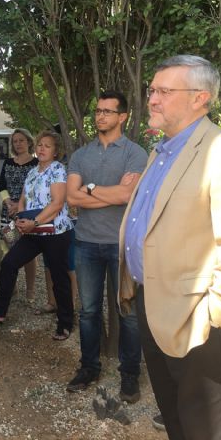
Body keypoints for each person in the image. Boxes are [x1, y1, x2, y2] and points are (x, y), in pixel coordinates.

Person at [120, 55, 221, 440]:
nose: (152, 99)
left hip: (198, 317)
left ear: (200, 98)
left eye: (164, 91)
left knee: (208, 429)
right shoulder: (160, 152)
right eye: (151, 90)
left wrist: (217, 315)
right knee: (177, 419)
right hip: (153, 303)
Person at [65, 90, 148, 402]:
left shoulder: (135, 153)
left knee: (128, 313)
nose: (100, 116)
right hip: (86, 242)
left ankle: (130, 375)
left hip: (121, 245)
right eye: (97, 111)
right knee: (87, 311)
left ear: (122, 116)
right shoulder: (81, 155)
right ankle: (89, 367)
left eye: (107, 112)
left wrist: (89, 188)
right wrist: (106, 192)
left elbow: (128, 196)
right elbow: (71, 198)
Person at [0, 131, 75, 339]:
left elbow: (57, 203)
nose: (41, 149)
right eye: (39, 145)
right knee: (9, 263)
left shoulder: (58, 170)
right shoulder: (33, 171)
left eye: (47, 146)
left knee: (59, 277)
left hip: (55, 232)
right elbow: (23, 198)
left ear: (55, 151)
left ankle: (65, 323)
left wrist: (35, 222)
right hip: (32, 230)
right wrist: (20, 218)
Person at [0, 129, 38, 303]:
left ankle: (30, 290)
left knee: (29, 253)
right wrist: (9, 203)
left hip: (28, 213)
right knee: (8, 249)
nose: (18, 144)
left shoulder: (37, 163)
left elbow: (38, 189)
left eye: (21, 140)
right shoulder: (7, 163)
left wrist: (21, 205)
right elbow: (1, 186)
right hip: (9, 213)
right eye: (15, 141)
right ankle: (11, 288)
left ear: (29, 142)